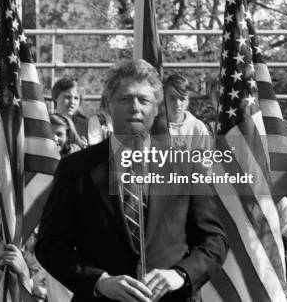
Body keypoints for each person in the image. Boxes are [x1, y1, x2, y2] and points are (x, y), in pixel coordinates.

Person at [36, 59, 228, 302]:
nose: (135, 107)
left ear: (156, 108)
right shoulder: (75, 168)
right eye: (125, 98)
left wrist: (181, 274)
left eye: (144, 100)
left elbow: (214, 240)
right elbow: (50, 245)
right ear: (108, 104)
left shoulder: (186, 165)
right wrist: (99, 281)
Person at [162, 73, 211, 151]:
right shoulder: (154, 127)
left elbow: (205, 160)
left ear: (188, 100)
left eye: (182, 99)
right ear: (164, 98)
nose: (177, 104)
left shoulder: (198, 128)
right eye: (172, 98)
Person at [52, 77, 88, 141]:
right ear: (56, 98)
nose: (72, 102)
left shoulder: (87, 125)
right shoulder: (47, 123)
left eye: (76, 98)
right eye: (67, 97)